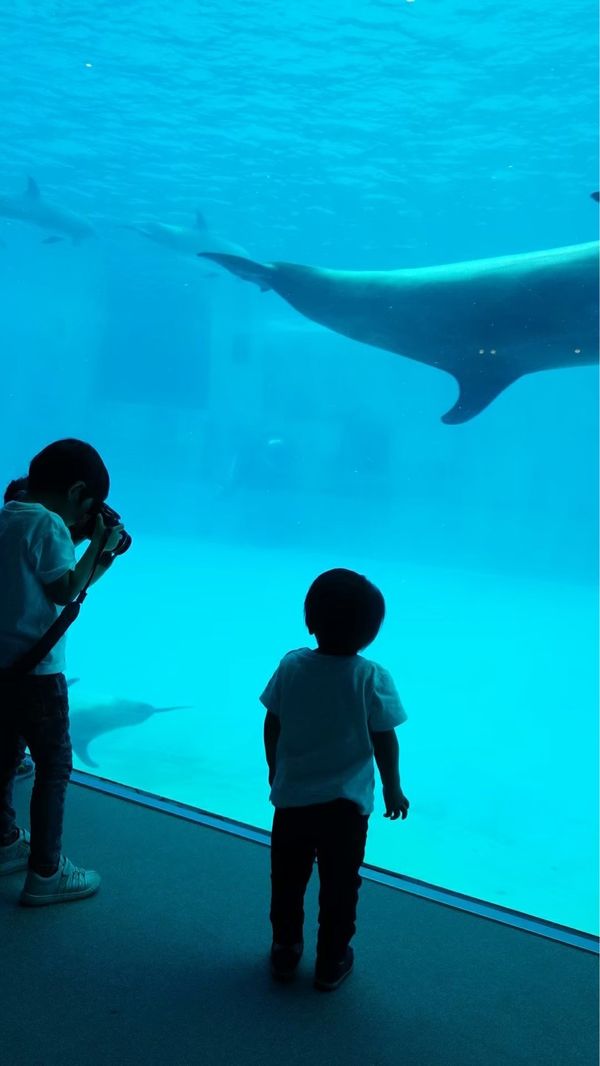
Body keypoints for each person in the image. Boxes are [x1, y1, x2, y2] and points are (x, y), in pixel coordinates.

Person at [262, 567, 409, 992]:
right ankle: (330, 960)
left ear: (310, 619)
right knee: (341, 885)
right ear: (371, 632)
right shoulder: (371, 677)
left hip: (292, 800)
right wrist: (392, 786)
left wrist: (275, 767)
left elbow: (272, 721)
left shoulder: (292, 665)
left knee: (287, 880)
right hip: (345, 808)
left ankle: (285, 949)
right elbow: (385, 738)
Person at [0, 439, 124, 905]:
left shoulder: (9, 515)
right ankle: (46, 872)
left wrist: (102, 557)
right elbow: (65, 590)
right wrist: (97, 543)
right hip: (39, 678)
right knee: (54, 768)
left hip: (5, 668)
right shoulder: (50, 525)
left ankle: (5, 842)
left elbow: (52, 583)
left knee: (5, 760)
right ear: (77, 494)